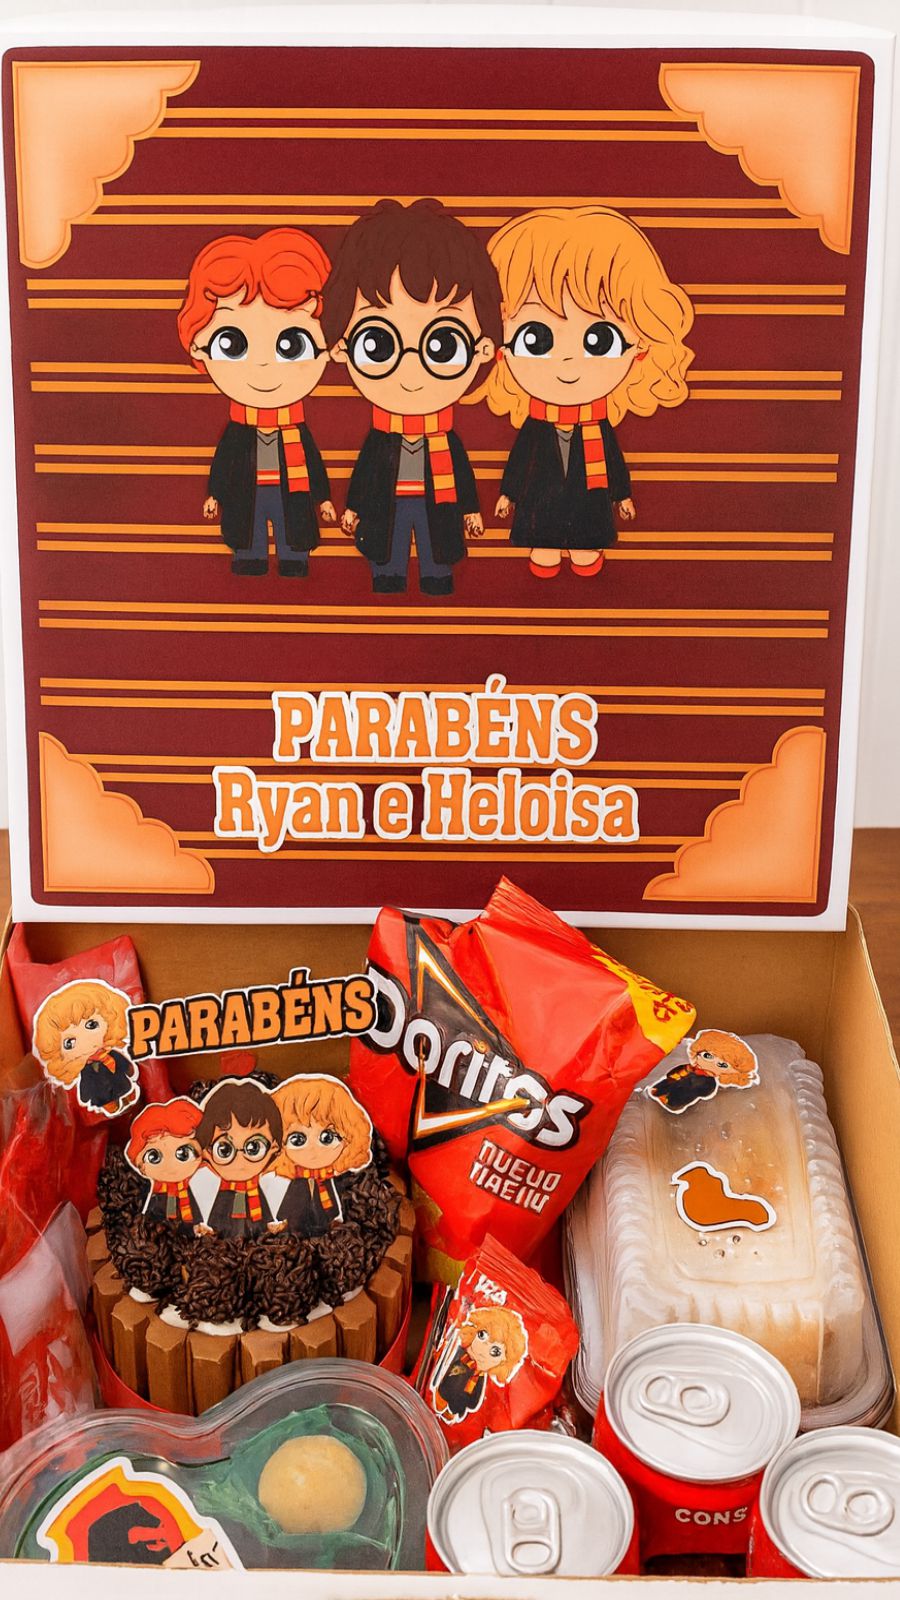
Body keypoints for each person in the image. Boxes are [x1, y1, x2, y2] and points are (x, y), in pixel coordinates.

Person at [476, 205, 693, 579]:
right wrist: (508, 494)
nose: (567, 361)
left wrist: (621, 495)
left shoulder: (598, 424)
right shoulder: (536, 424)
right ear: (500, 348)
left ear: (641, 347)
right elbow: (520, 460)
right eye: (534, 339)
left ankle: (585, 549)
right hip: (542, 497)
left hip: (587, 496)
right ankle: (544, 548)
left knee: (587, 516)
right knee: (544, 516)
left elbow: (613, 461)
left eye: (600, 340)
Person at [321, 198, 501, 595]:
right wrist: (353, 508)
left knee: (438, 548)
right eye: (377, 344)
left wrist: (471, 510)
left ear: (484, 348)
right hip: (390, 504)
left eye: (444, 345)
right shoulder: (381, 437)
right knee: (389, 547)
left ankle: (437, 580)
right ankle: (388, 579)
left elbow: (461, 475)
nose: (411, 369)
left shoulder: (446, 438)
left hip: (437, 503)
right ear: (341, 349)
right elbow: (366, 474)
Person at [177, 228, 336, 577]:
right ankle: (250, 561)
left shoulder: (296, 428)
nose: (263, 365)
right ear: (198, 348)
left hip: (288, 490)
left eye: (293, 345)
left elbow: (312, 463)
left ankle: (294, 562)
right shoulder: (238, 429)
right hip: (248, 490)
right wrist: (215, 494)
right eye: (231, 344)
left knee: (292, 530)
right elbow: (225, 461)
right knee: (248, 534)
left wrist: (323, 498)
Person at [265, 1074, 373, 1237]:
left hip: (327, 1231)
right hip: (292, 1230)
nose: (313, 1150)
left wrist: (336, 1218)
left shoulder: (329, 1179)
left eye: (327, 1138)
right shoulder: (290, 1180)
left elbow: (333, 1203)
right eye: (297, 1139)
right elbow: (284, 1201)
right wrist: (279, 1220)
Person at [33, 980, 139, 1117]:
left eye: (92, 1025)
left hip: (120, 1082)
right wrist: (85, 1095)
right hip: (101, 1094)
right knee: (105, 1099)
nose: (85, 1042)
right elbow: (85, 1084)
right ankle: (110, 1105)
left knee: (124, 1088)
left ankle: (128, 1096)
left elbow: (125, 1065)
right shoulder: (85, 1069)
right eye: (69, 1043)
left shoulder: (111, 1054)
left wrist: (129, 1070)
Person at [195, 1078, 282, 1235]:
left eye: (254, 1148)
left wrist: (270, 1226)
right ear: (206, 1152)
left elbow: (265, 1217)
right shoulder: (223, 1194)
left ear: (274, 1147)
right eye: (225, 1150)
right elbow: (218, 1217)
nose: (240, 1160)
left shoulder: (259, 1192)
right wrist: (211, 1231)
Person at [431, 1306, 527, 1424]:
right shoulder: (458, 1355)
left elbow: (475, 1398)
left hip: (456, 1411)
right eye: (481, 1335)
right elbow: (443, 1374)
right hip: (439, 1397)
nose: (482, 1350)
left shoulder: (479, 1376)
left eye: (495, 1351)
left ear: (504, 1361)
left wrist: (469, 1402)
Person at [125, 1097, 206, 1231]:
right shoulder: (156, 1195)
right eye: (154, 1157)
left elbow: (195, 1213)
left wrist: (197, 1226)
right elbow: (151, 1219)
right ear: (140, 1165)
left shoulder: (190, 1189)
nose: (171, 1166)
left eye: (183, 1154)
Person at [649, 1029, 759, 1114]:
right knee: (671, 1081)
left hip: (684, 1092)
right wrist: (676, 1075)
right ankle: (659, 1090)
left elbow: (703, 1092)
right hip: (675, 1082)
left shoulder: (708, 1083)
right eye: (707, 1056)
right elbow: (673, 1074)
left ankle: (671, 1101)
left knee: (683, 1091)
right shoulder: (690, 1067)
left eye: (722, 1065)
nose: (710, 1063)